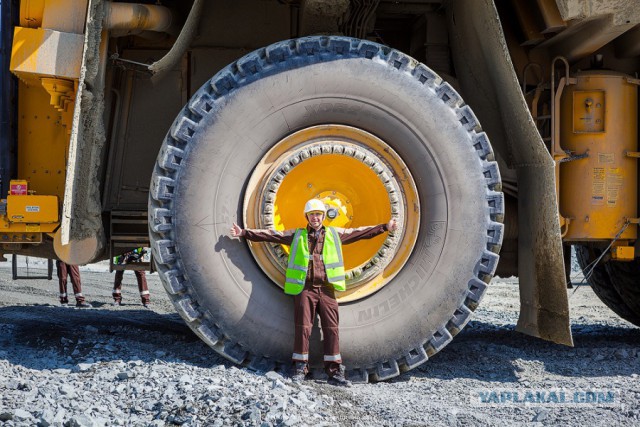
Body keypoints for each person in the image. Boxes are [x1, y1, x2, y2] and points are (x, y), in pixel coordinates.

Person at [230, 198, 398, 387]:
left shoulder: (335, 234)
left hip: (327, 289)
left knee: (332, 329)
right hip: (305, 289)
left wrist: (385, 227)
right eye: (312, 215)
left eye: (318, 214)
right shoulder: (298, 235)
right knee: (303, 329)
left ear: (323, 216)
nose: (315, 218)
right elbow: (272, 235)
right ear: (307, 217)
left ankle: (334, 372)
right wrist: (244, 233)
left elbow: (360, 233)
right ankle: (300, 368)